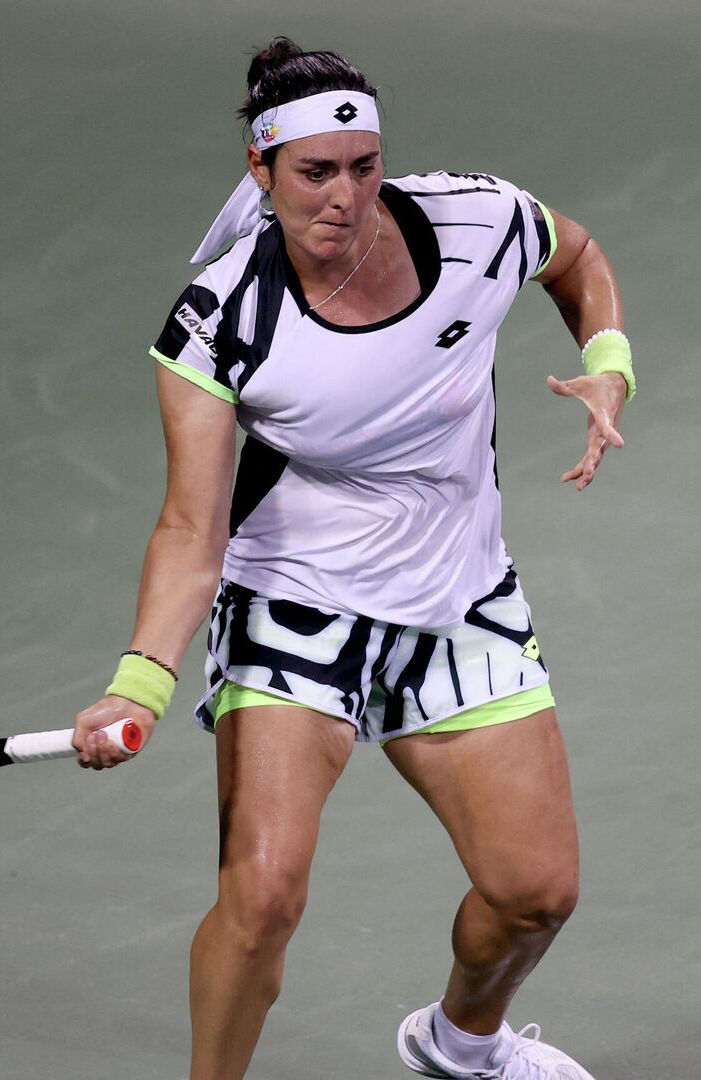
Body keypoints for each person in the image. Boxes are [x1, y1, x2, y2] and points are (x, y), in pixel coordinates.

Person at [70, 37, 635, 1080]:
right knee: (263, 898)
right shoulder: (220, 324)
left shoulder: (477, 218)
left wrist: (607, 362)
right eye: (315, 174)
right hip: (297, 609)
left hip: (458, 601)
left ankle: (463, 1046)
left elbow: (579, 260)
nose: (345, 198)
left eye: (363, 167)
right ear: (261, 173)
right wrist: (139, 679)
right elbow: (191, 531)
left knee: (535, 893)